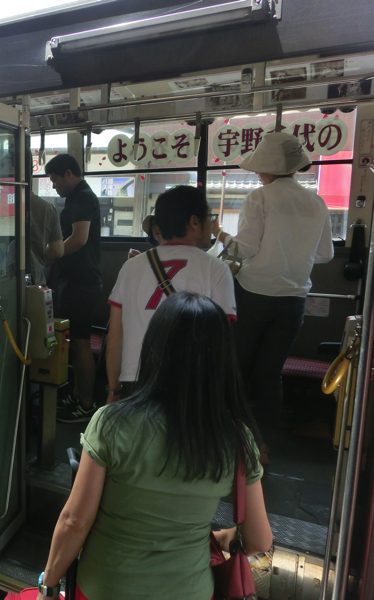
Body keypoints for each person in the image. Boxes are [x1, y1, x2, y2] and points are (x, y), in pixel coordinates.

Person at [36, 292, 272, 600]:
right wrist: (215, 536)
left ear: (154, 349)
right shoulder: (237, 439)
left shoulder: (111, 423)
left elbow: (75, 521)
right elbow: (259, 540)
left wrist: (49, 586)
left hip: (106, 588)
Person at [213, 132, 334, 449]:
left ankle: (229, 438)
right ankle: (263, 445)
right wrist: (293, 254)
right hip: (293, 301)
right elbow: (325, 254)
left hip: (253, 294)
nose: (256, 172)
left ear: (268, 167)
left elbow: (245, 249)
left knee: (237, 368)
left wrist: (220, 234)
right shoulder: (317, 202)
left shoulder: (260, 197)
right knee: (270, 374)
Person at [106, 186, 236, 403]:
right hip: (189, 381)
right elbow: (221, 341)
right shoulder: (216, 269)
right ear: (194, 222)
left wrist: (113, 390)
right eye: (210, 217)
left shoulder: (131, 267)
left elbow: (115, 335)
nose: (212, 223)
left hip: (135, 377)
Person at [44, 154, 102, 423]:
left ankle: (87, 404)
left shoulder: (81, 197)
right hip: (78, 281)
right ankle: (78, 395)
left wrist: (50, 254)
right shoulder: (79, 197)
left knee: (80, 344)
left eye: (55, 180)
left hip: (81, 282)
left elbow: (79, 238)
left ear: (69, 173)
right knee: (76, 343)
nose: (54, 186)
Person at [29, 192, 64, 286]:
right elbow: (57, 250)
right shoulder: (47, 208)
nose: (53, 186)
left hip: (1, 282)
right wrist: (38, 256)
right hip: (35, 281)